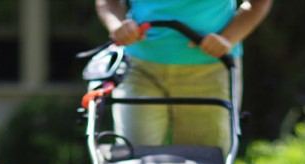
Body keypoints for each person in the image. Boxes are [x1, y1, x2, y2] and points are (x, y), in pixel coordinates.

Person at [95, 0, 272, 153]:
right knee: (132, 162)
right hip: (139, 69)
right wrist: (117, 25)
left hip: (210, 71)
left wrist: (228, 39)